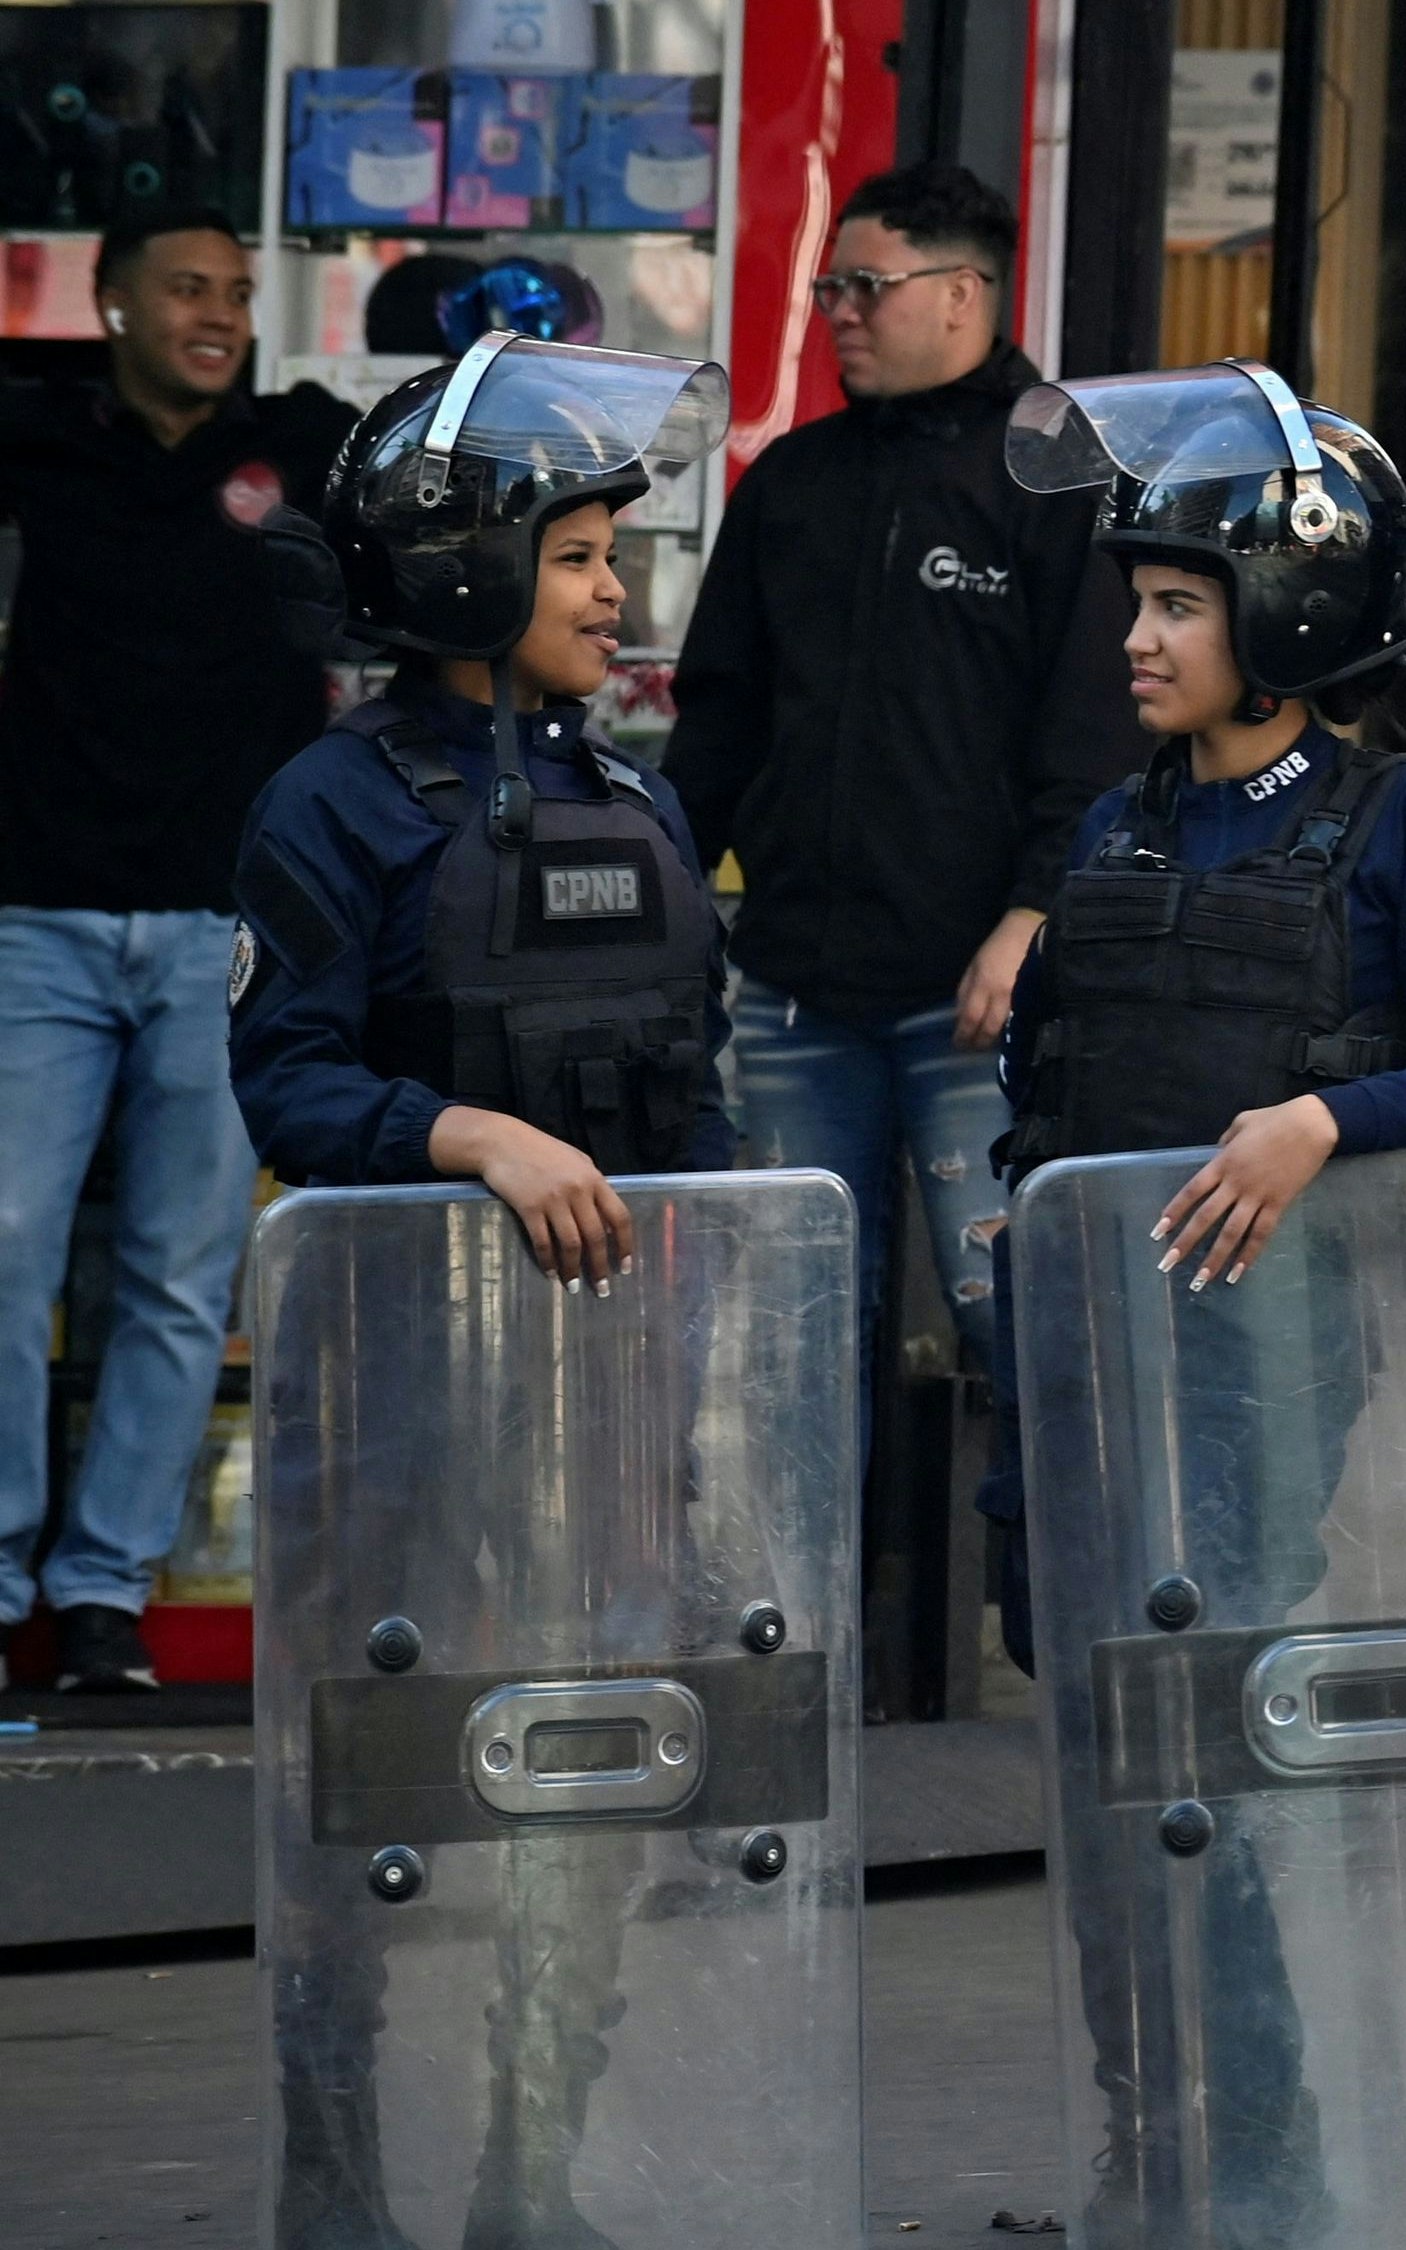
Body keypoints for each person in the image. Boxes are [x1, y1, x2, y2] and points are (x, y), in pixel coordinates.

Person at [979, 364, 1406, 2240]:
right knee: (1114, 1770)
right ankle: (1157, 2146)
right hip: (1090, 1376)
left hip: (1269, 1383)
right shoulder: (1113, 829)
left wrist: (1319, 1120)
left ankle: (1268, 2153)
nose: (1136, 638)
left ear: (1285, 619)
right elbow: (1040, 1104)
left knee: (1216, 1771)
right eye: (1139, 603)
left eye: (1176, 605)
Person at [229, 333, 734, 2247]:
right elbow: (289, 1079)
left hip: (606, 1398)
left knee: (581, 1797)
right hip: (400, 1393)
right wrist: (475, 1140)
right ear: (467, 575)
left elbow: (701, 1096)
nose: (619, 592)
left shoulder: (642, 798)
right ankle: (342, 2176)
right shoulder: (331, 808)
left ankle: (533, 2173)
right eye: (587, 555)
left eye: (619, 555)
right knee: (366, 1791)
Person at [661, 161, 1135, 1427]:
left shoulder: (1058, 478)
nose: (839, 314)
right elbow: (716, 723)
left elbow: (1094, 734)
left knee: (1021, 1322)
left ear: (965, 293)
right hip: (797, 986)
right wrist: (653, 905)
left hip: (977, 996)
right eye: (831, 289)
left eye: (866, 286)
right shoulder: (793, 485)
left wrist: (1031, 919)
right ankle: (809, 1626)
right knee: (780, 1339)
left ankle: (1046, 1618)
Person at [0, 205, 354, 1693]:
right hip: (38, 913)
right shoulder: (32, 439)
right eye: (186, 290)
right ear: (114, 304)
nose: (217, 314)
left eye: (236, 292)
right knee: (4, 1249)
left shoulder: (302, 445)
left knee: (178, 1270)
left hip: (229, 930)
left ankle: (101, 1596)